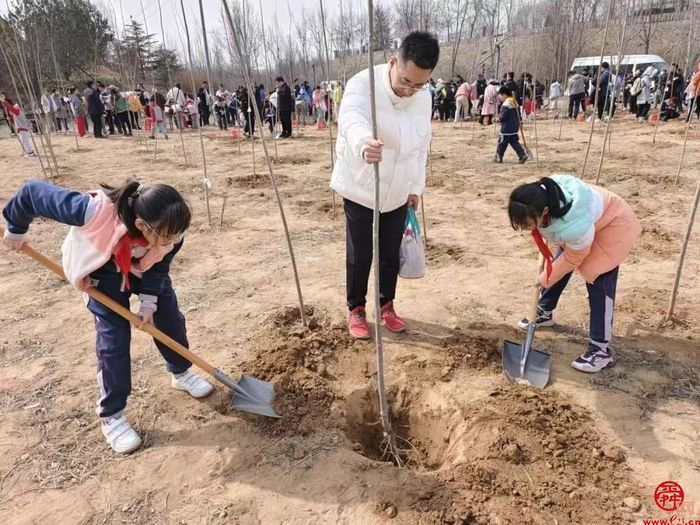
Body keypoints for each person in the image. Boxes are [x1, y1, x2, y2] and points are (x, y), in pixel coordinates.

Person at [2, 179, 214, 454]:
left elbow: (160, 264)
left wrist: (149, 301)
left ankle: (181, 372)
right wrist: (16, 229)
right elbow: (31, 193)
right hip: (100, 272)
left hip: (141, 268)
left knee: (170, 316)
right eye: (166, 237)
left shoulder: (171, 232)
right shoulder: (91, 211)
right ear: (141, 225)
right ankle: (111, 416)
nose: (172, 242)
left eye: (175, 237)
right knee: (113, 342)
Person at [331, 31, 438, 339]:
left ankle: (386, 305)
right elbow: (351, 117)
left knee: (390, 252)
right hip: (362, 185)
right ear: (393, 62)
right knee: (360, 253)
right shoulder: (363, 84)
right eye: (406, 81)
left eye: (419, 84)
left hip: (399, 190)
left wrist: (416, 188)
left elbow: (421, 147)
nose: (410, 90)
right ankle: (357, 309)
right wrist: (363, 143)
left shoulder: (422, 96)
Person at [509, 175, 641, 373]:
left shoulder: (573, 226)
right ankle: (544, 311)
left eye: (526, 225)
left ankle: (600, 349)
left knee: (598, 277)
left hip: (613, 225)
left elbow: (572, 258)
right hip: (588, 223)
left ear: (544, 211)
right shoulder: (542, 193)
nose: (523, 230)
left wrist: (544, 279)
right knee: (557, 266)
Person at [494, 86, 527, 164]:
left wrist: (497, 119)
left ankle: (499, 157)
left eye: (500, 96)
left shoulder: (506, 104)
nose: (500, 98)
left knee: (502, 143)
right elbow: (519, 114)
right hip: (515, 127)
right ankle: (522, 155)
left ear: (504, 95)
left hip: (506, 128)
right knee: (514, 142)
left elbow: (503, 116)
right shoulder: (514, 101)